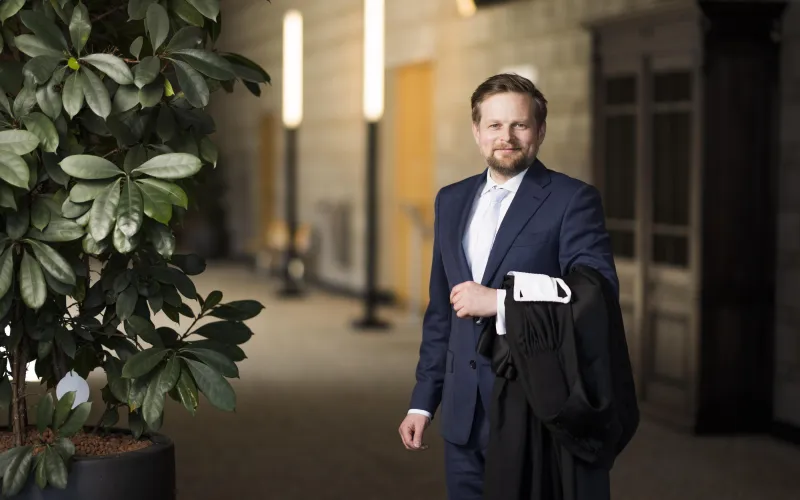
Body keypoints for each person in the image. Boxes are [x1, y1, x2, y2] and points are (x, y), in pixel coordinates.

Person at [397, 73, 619, 500]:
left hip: (532, 411)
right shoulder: (451, 199)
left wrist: (500, 301)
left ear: (539, 131)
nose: (507, 137)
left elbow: (597, 294)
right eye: (495, 126)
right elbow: (441, 313)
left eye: (519, 125)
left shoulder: (573, 199)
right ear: (477, 131)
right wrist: (423, 401)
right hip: (463, 416)